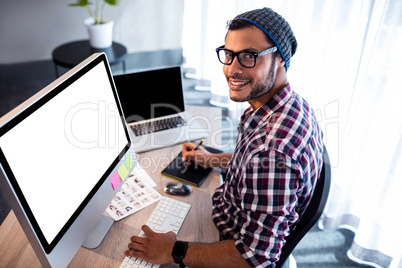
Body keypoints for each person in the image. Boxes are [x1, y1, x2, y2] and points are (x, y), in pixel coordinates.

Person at [124, 7, 324, 267]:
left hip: (230, 242)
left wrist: (172, 251)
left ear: (281, 58)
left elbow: (255, 259)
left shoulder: (273, 151)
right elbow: (256, 166)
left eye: (250, 56)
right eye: (229, 55)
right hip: (231, 210)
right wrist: (214, 160)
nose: (232, 69)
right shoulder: (289, 105)